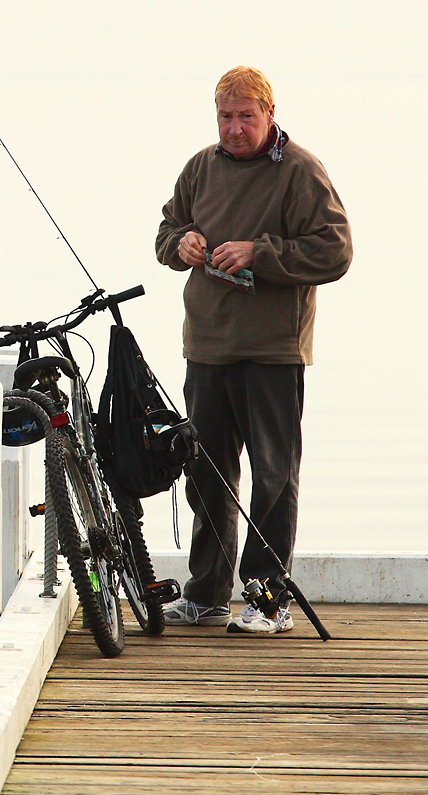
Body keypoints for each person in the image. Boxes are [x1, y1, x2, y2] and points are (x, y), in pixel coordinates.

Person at [155, 66, 352, 634]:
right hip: (207, 346)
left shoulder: (300, 171)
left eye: (246, 115)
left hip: (272, 350)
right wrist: (182, 244)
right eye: (225, 116)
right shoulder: (200, 167)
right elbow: (166, 232)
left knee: (273, 477)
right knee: (206, 473)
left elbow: (335, 250)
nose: (235, 128)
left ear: (270, 112)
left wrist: (258, 253)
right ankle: (207, 595)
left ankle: (268, 602)